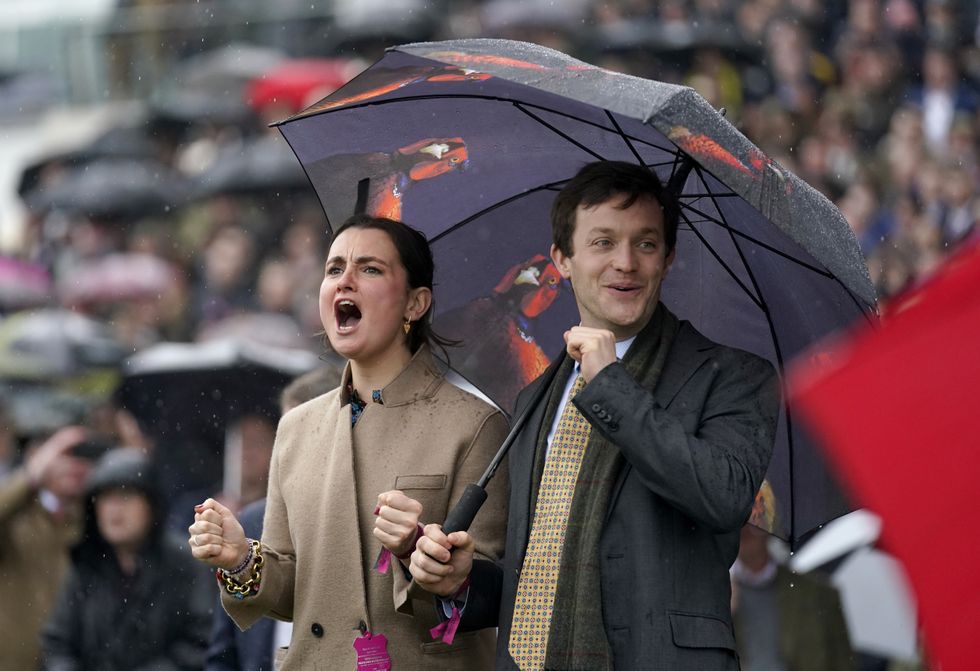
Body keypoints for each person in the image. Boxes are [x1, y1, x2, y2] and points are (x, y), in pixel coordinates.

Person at [410, 160, 780, 670]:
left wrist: (611, 386)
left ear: (667, 259)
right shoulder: (536, 395)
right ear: (563, 259)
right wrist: (462, 582)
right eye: (603, 242)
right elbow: (536, 572)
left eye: (646, 243)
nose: (625, 262)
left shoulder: (734, 376)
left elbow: (722, 497)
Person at [189, 214, 509, 670]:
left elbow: (489, 596)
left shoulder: (476, 424)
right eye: (334, 268)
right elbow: (296, 593)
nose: (345, 282)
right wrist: (240, 558)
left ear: (415, 303)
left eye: (371, 269)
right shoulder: (297, 426)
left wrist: (424, 558)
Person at [205, 363, 344, 671]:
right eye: (284, 432)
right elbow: (224, 652)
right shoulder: (251, 522)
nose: (287, 448)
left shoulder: (358, 523)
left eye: (300, 432)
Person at [41, 448, 213, 670]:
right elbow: (57, 644)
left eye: (125, 497)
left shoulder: (186, 563)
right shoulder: (87, 563)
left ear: (150, 505)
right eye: (105, 498)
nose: (114, 509)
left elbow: (201, 643)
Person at [0, 425, 92, 671]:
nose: (73, 466)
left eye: (80, 457)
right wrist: (32, 472)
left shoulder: (94, 519)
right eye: (63, 456)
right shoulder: (15, 518)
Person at [732, 523, 855, 671]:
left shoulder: (818, 593)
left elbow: (843, 661)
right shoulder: (715, 596)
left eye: (752, 522)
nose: (745, 531)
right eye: (739, 525)